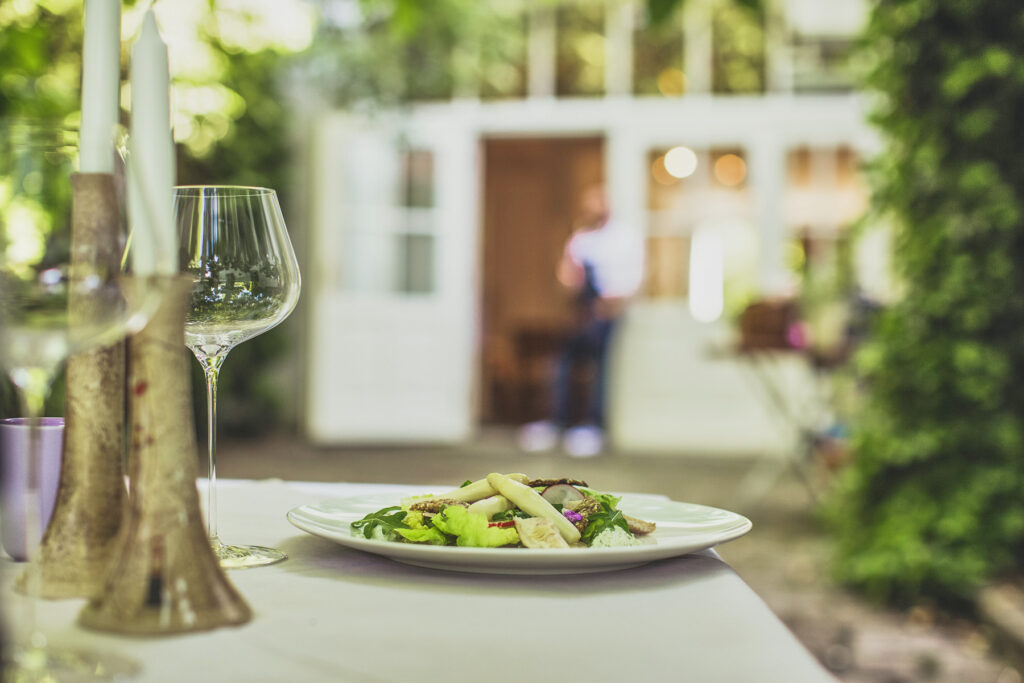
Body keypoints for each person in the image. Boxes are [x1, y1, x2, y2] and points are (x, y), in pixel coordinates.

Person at [518, 185, 645, 457]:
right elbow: (567, 277)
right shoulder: (581, 238)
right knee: (561, 364)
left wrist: (611, 303)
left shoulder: (624, 237)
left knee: (599, 369)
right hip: (579, 312)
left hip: (607, 311)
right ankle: (557, 422)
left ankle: (593, 426)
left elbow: (634, 277)